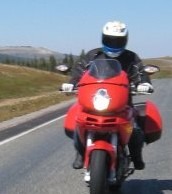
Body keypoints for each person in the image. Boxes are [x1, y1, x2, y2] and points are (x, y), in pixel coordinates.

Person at [64, 20, 153, 170]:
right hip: (94, 100)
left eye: (118, 40)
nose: (114, 43)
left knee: (135, 128)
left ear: (125, 40)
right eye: (110, 39)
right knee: (77, 120)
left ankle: (137, 156)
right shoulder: (93, 55)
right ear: (103, 38)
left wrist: (144, 83)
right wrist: (72, 83)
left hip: (122, 103)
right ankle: (80, 152)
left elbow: (140, 73)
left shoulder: (131, 57)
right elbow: (79, 71)